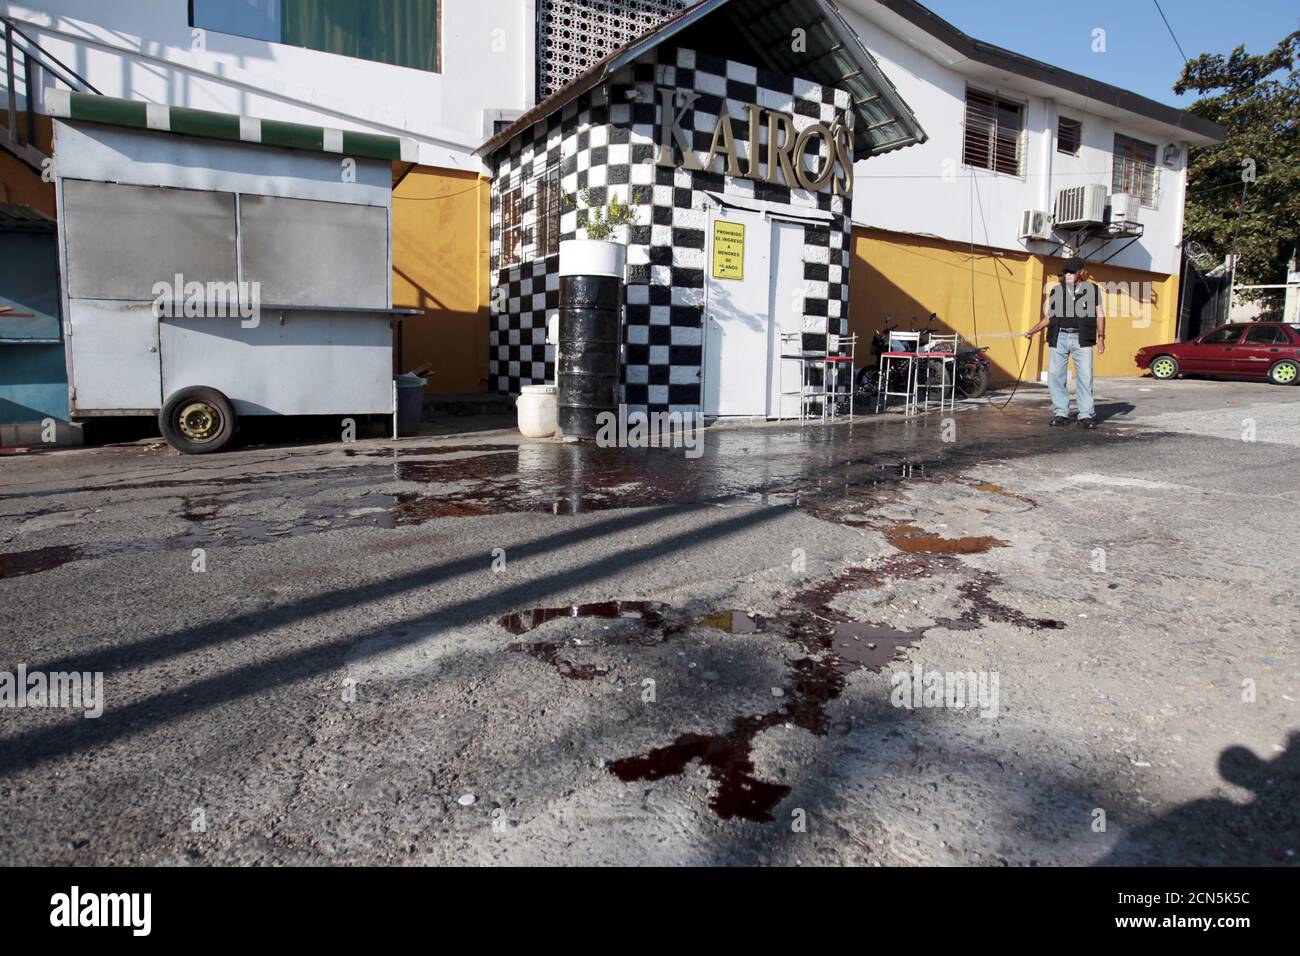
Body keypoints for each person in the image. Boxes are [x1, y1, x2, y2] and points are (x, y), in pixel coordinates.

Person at [1025, 256, 1105, 428]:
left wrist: (1101, 337)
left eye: (1071, 272)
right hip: (1059, 337)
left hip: (1082, 338)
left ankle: (1085, 416)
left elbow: (1100, 315)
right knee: (1055, 376)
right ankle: (1061, 413)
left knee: (1085, 377)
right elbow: (1049, 317)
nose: (1068, 275)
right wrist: (1033, 330)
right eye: (1066, 272)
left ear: (1081, 272)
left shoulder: (1092, 290)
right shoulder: (1057, 291)